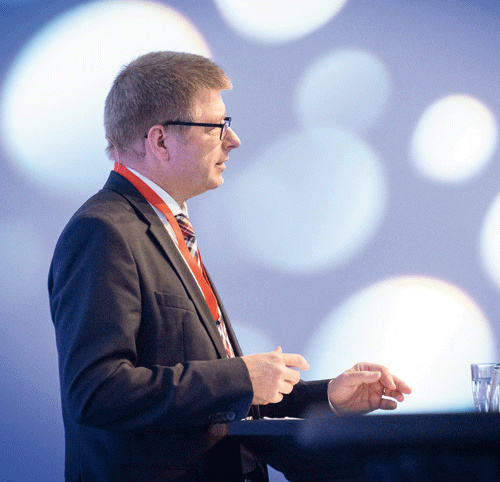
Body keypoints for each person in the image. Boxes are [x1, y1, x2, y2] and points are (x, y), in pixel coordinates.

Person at [48, 51, 411, 482]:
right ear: (160, 141)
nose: (233, 140)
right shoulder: (103, 231)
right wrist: (240, 377)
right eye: (216, 126)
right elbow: (97, 391)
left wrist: (327, 397)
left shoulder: (166, 226)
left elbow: (210, 399)